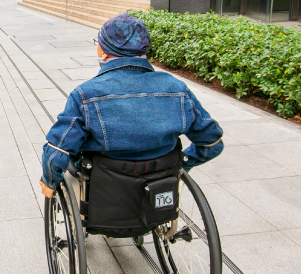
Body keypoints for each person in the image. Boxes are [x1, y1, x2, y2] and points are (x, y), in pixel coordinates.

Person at [40, 13, 224, 199]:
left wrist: (49, 182)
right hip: (161, 183)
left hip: (104, 190)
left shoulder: (85, 94)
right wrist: (183, 164)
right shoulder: (177, 89)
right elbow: (212, 143)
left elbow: (56, 154)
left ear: (104, 52)